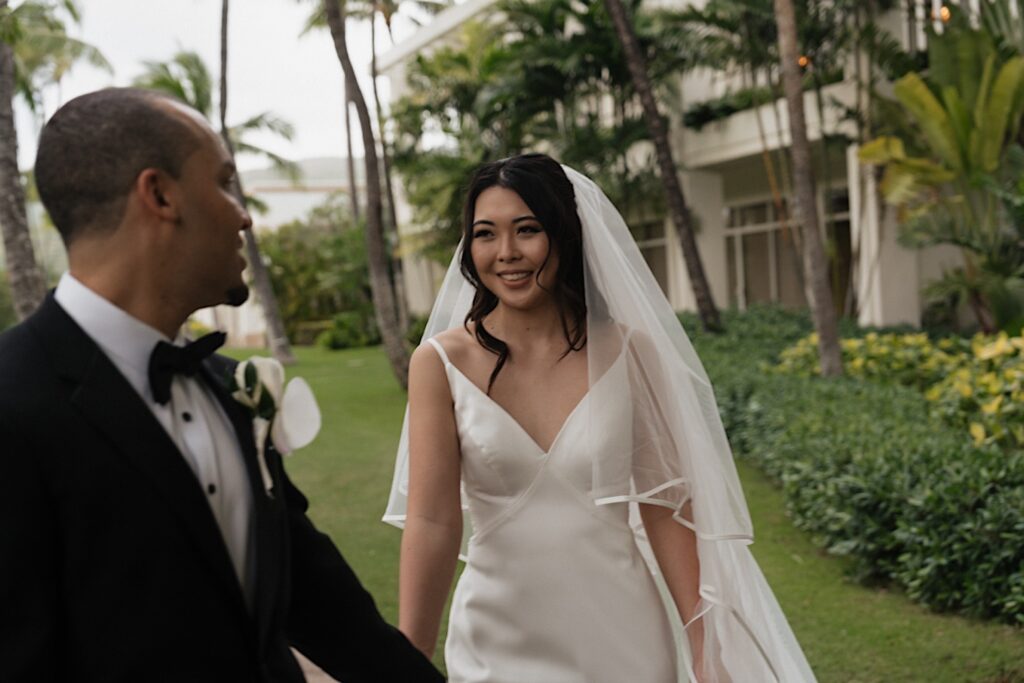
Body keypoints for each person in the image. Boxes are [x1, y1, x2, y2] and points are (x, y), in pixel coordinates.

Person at [0, 88, 444, 682]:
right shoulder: (12, 402)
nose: (244, 214)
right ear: (159, 195)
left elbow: (319, 600)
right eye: (224, 182)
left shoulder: (230, 385)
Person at [384, 153, 816, 682]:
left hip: (624, 636)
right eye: (485, 234)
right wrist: (406, 660)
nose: (507, 253)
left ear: (564, 233)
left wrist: (705, 649)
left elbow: (665, 507)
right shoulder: (440, 363)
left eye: (527, 230)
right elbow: (432, 521)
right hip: (497, 636)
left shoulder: (631, 353)